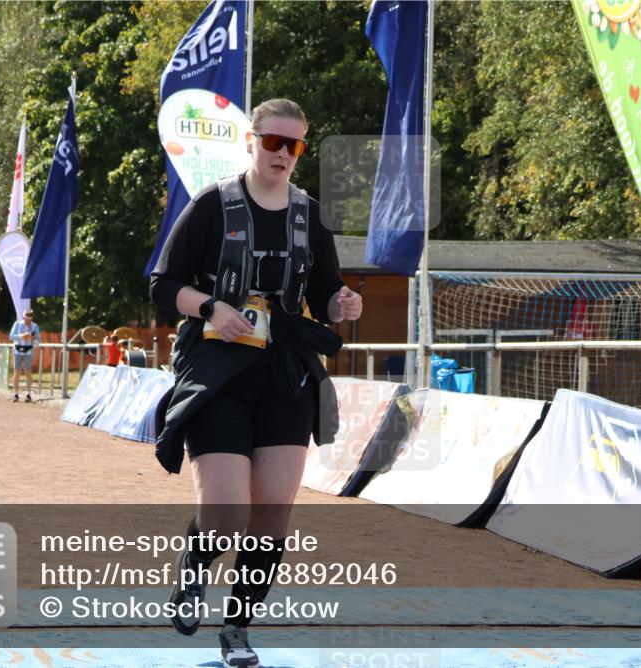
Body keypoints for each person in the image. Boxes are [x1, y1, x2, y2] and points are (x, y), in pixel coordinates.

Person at [149, 99, 363, 667]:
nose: (283, 155)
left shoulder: (309, 215)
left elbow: (326, 296)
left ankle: (237, 630)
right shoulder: (213, 206)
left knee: (271, 514)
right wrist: (213, 308)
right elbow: (162, 283)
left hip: (285, 372)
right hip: (218, 370)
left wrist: (343, 303)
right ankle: (192, 576)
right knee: (226, 513)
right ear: (251, 140)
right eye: (273, 142)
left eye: (294, 146)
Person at [9, 309, 41, 403]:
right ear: (23, 317)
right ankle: (16, 394)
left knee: (28, 372)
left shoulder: (35, 326)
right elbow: (11, 336)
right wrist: (21, 336)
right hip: (17, 350)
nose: (27, 321)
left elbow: (38, 341)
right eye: (26, 319)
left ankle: (28, 394)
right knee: (17, 371)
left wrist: (33, 338)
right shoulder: (17, 324)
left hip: (28, 351)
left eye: (29, 320)